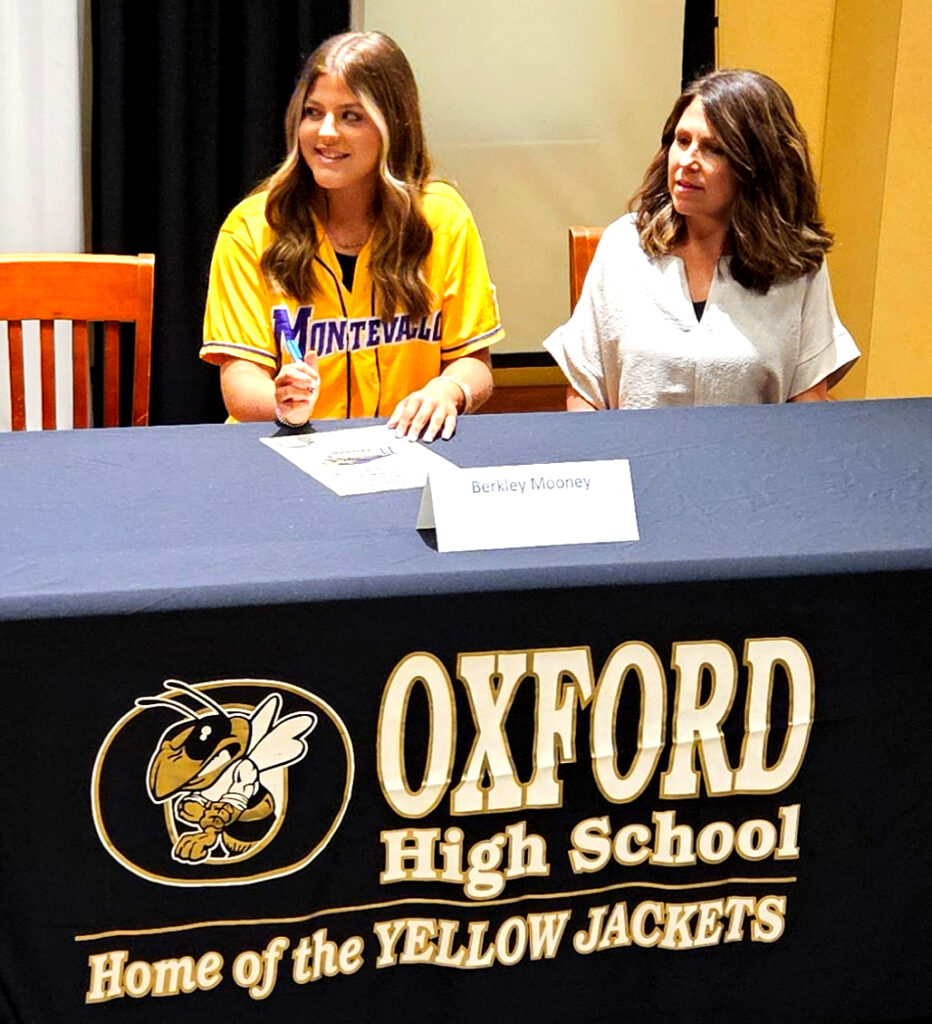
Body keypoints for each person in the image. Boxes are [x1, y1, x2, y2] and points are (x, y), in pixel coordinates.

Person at [200, 31, 503, 441]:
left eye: (351, 116)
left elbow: (473, 362)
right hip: (284, 447)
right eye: (313, 112)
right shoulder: (252, 228)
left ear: (393, 126)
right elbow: (239, 382)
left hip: (404, 447)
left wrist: (447, 391)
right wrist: (282, 401)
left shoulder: (443, 219)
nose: (326, 132)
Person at [544, 69, 859, 410]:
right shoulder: (623, 245)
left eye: (712, 149)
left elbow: (809, 400)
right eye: (682, 141)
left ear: (756, 165)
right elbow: (585, 392)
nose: (686, 161)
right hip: (638, 457)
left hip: (751, 459)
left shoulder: (796, 262)